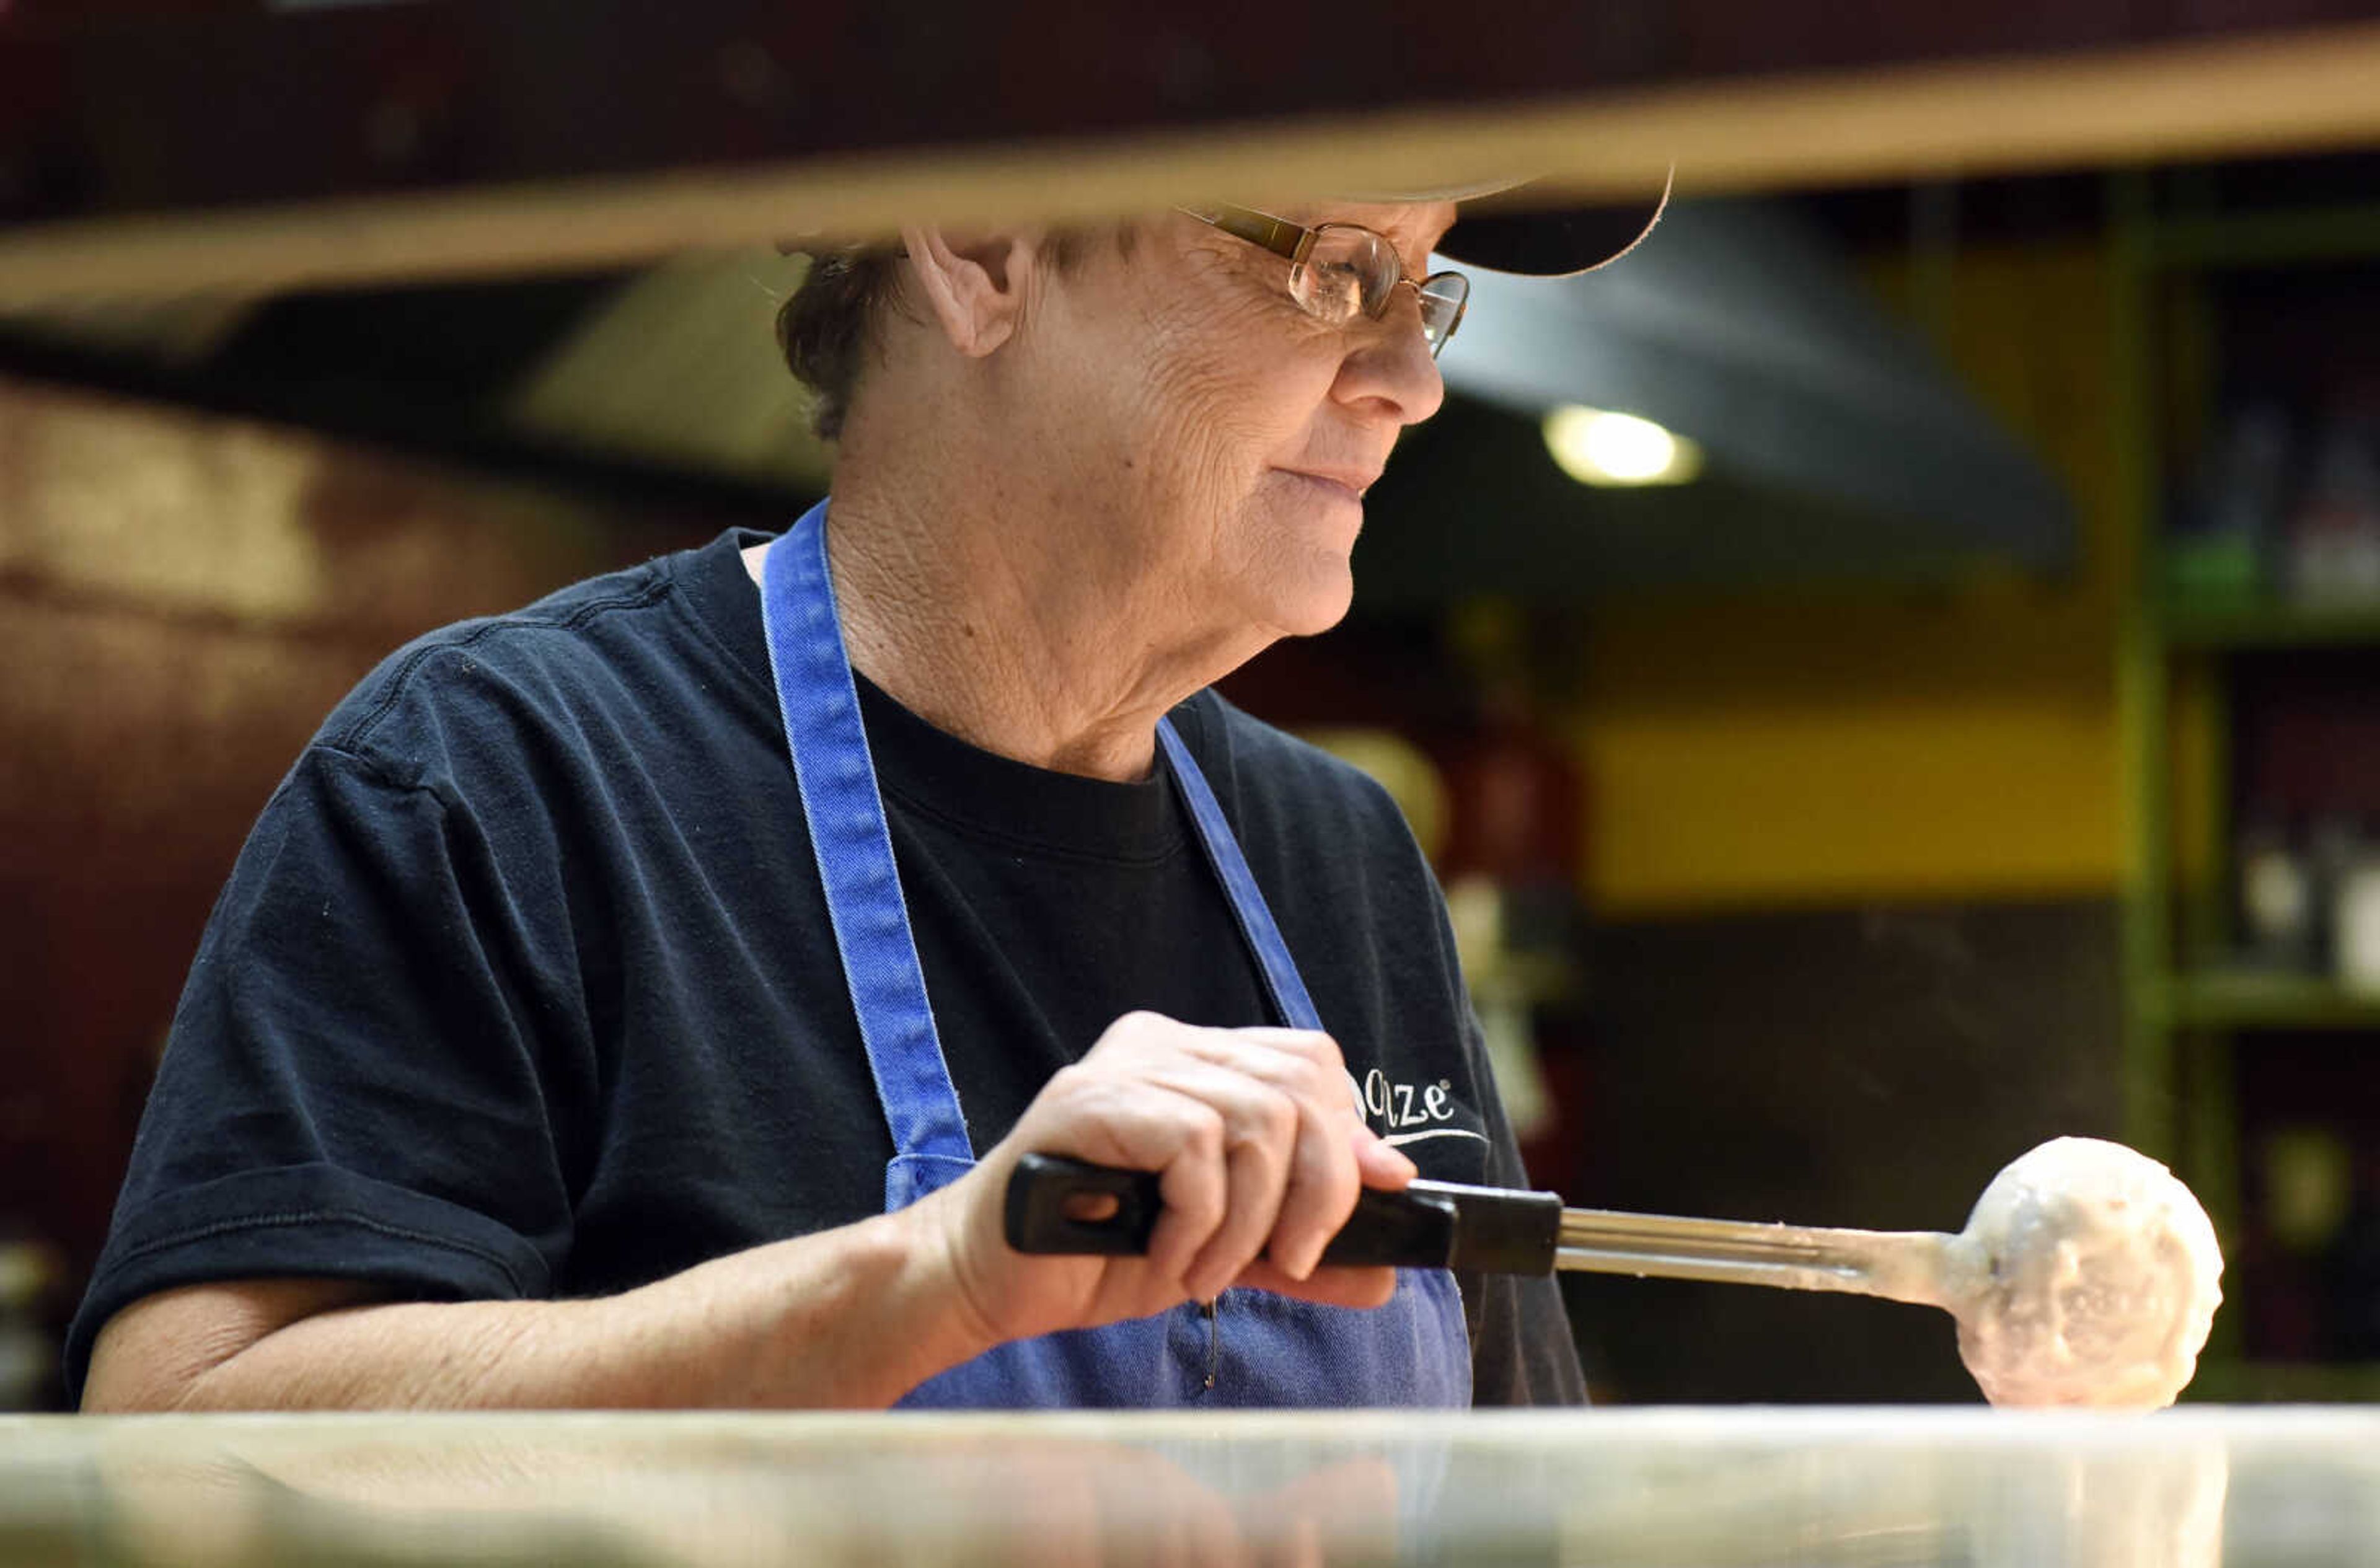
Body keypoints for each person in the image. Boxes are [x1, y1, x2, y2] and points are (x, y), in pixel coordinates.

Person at [70, 177, 1662, 1412]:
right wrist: (929, 1279)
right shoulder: (507, 771)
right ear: (983, 245)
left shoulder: (1339, 853)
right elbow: (184, 1451)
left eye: (1423, 286)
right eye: (1337, 267)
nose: (1410, 377)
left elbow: (1524, 1497)